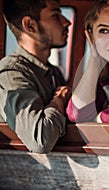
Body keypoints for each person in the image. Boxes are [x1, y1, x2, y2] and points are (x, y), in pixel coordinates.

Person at [0, 0, 72, 153]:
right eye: (55, 15)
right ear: (29, 25)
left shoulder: (53, 73)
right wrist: (59, 99)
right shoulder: (12, 73)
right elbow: (40, 140)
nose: (67, 22)